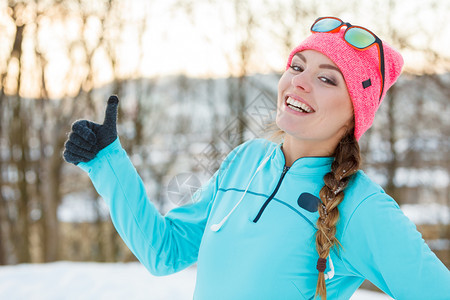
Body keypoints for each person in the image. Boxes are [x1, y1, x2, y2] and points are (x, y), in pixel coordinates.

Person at [63, 16, 450, 299]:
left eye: (327, 78)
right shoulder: (245, 161)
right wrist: (106, 162)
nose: (298, 81)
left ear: (356, 112)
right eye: (297, 67)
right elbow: (164, 251)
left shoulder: (362, 206)